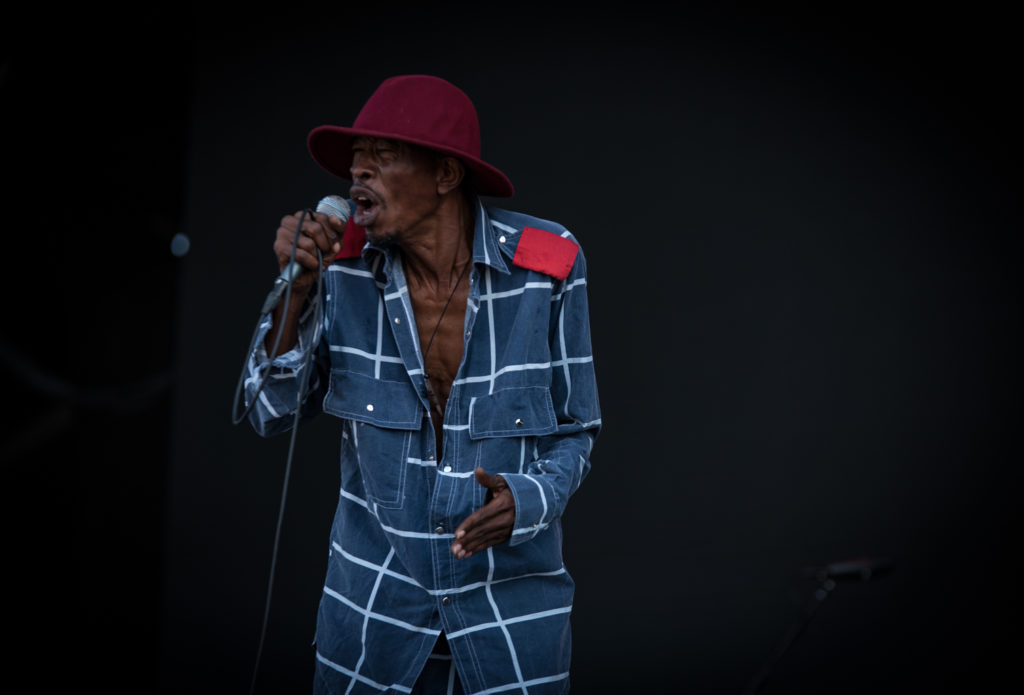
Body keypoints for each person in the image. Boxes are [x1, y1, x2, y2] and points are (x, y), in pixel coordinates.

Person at [243, 74, 601, 694]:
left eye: (382, 157)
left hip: (509, 618)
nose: (358, 174)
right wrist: (297, 291)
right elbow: (268, 410)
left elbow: (577, 428)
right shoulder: (339, 268)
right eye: (356, 161)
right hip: (372, 622)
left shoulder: (547, 263)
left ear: (446, 174)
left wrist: (529, 500)